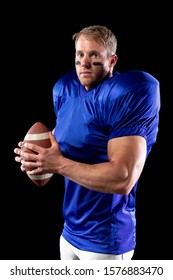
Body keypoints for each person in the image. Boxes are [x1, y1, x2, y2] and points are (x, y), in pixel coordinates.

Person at [14, 25, 160, 260]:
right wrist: (38, 158)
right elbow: (70, 142)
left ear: (112, 60)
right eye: (79, 54)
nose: (84, 62)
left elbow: (122, 178)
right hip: (70, 232)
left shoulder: (129, 92)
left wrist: (57, 164)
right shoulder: (65, 89)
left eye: (94, 55)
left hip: (105, 240)